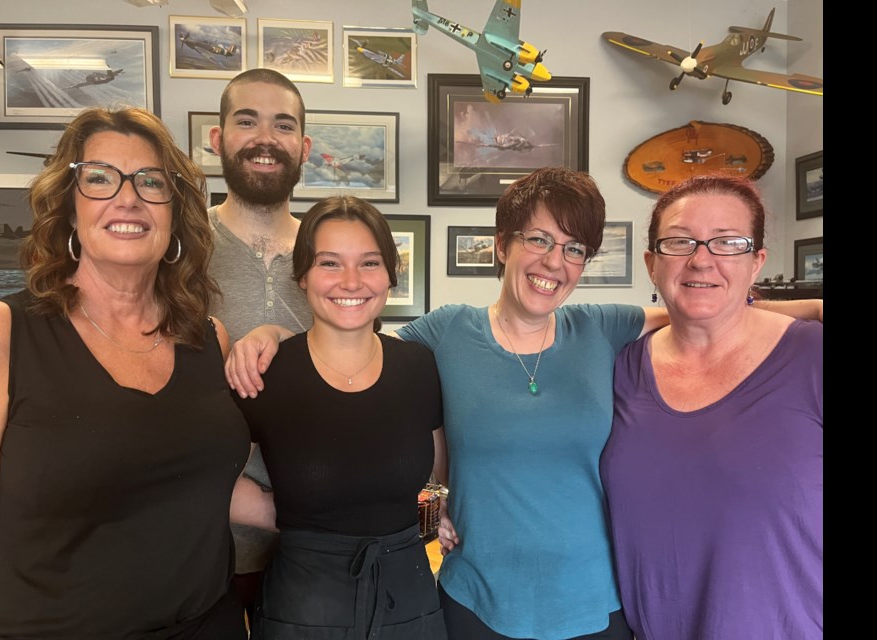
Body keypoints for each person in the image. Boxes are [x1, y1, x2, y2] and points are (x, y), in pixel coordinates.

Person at [228, 167, 822, 640]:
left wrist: (813, 309)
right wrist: (275, 336)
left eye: (573, 248)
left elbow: (699, 307)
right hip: (475, 602)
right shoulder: (445, 333)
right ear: (502, 245)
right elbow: (354, 345)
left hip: (597, 606)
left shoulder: (602, 327)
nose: (553, 262)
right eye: (537, 239)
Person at [0, 107, 256, 638]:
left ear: (173, 213)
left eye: (151, 182)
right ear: (69, 208)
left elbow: (200, 480)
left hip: (208, 624)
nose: (128, 197)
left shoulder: (207, 338)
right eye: (99, 179)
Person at [599, 175, 823, 639]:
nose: (702, 259)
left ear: (756, 261)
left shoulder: (813, 357)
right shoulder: (618, 369)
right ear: (652, 264)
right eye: (680, 242)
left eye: (728, 242)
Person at [232, 196, 448, 639]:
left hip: (409, 594)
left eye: (369, 263)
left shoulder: (419, 365)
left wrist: (433, 522)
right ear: (303, 276)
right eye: (330, 263)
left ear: (390, 275)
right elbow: (209, 479)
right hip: (304, 601)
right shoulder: (266, 372)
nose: (351, 282)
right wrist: (292, 514)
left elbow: (437, 474)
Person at [207, 68, 315, 628]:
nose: (265, 138)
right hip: (200, 550)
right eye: (246, 120)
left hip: (313, 548)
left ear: (304, 146)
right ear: (217, 137)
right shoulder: (179, 249)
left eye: (283, 124)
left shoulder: (332, 259)